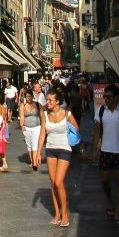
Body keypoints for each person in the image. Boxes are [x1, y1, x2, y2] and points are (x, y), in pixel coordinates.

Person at [35, 88, 79, 227]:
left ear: (58, 101)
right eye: (47, 99)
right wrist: (38, 152)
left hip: (65, 148)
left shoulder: (67, 114)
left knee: (59, 182)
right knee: (53, 182)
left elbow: (76, 130)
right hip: (50, 149)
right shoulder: (45, 115)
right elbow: (43, 133)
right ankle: (57, 214)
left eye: (50, 100)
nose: (47, 102)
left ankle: (65, 213)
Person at [91, 84, 119, 225]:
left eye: (108, 97)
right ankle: (110, 201)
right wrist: (94, 150)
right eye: (104, 97)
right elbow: (97, 131)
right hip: (105, 150)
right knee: (104, 181)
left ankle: (117, 213)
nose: (106, 99)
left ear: (116, 97)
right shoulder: (101, 111)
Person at [19, 90, 42, 170]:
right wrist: (22, 125)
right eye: (27, 96)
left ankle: (35, 162)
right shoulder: (23, 105)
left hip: (37, 127)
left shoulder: (38, 105)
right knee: (29, 144)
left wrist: (43, 126)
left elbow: (42, 116)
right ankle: (32, 161)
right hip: (27, 127)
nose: (29, 98)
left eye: (30, 96)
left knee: (34, 144)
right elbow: (22, 116)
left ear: (33, 96)